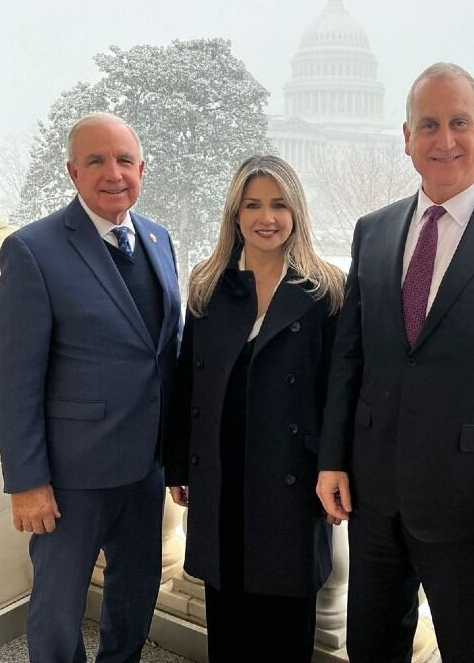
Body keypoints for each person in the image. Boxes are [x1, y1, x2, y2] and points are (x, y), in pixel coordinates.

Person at [316, 63, 474, 663]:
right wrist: (333, 458)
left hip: (472, 503)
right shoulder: (373, 232)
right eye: (428, 125)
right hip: (375, 495)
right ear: (406, 138)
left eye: (459, 122)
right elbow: (350, 359)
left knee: (469, 652)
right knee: (371, 647)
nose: (445, 140)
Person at [0, 112, 181, 662]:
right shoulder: (33, 250)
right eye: (96, 160)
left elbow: (164, 353)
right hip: (72, 475)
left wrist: (177, 459)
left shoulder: (157, 238)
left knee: (136, 588)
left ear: (141, 168)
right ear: (72, 172)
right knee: (57, 603)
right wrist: (27, 482)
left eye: (124, 160)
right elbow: (14, 380)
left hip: (146, 466)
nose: (113, 173)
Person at [165, 154, 344, 662]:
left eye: (279, 204)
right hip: (221, 475)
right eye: (253, 205)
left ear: (297, 213)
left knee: (286, 629)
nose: (267, 217)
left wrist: (336, 467)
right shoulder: (209, 284)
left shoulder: (324, 289)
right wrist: (179, 464)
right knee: (228, 622)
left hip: (292, 478)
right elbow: (186, 382)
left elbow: (339, 393)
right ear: (235, 215)